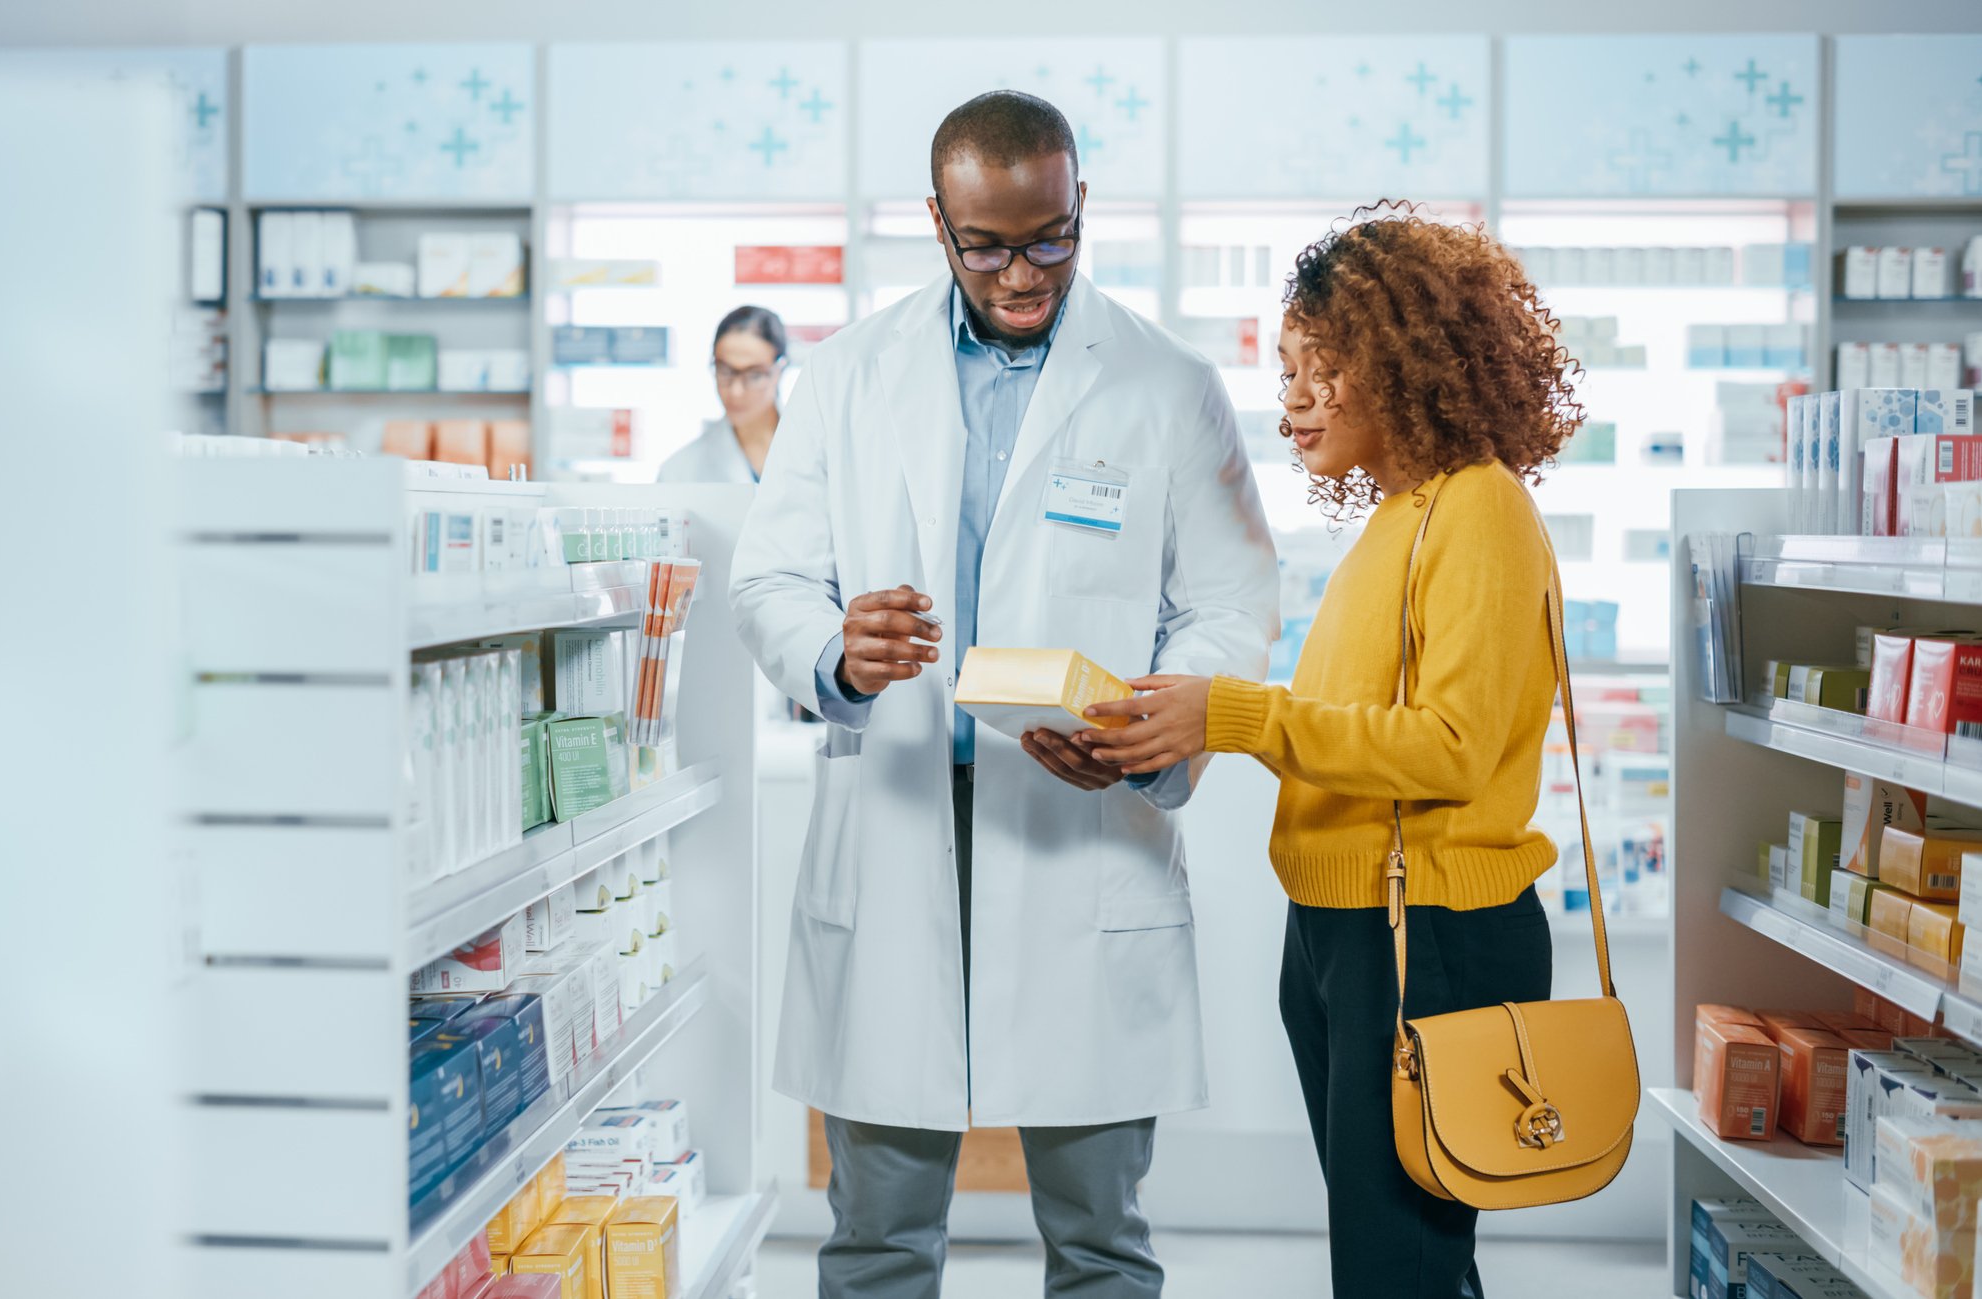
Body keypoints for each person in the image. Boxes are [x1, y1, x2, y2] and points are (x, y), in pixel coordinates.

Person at [729, 91, 1278, 1299]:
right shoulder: (847, 375)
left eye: (1050, 239)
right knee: (876, 1239)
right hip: (897, 821)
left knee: (1099, 1242)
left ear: (1081, 208)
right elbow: (768, 578)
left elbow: (1232, 604)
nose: (1022, 275)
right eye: (986, 247)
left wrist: (1155, 726)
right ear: (936, 222)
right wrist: (839, 653)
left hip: (1080, 823)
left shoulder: (1165, 383)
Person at [1075, 203, 1586, 1299]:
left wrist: (1235, 715)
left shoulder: (1479, 510)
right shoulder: (1402, 516)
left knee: (1395, 1264)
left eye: (1326, 367)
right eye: (1288, 369)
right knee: (1402, 1259)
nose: (1294, 399)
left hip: (1427, 932)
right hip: (1348, 926)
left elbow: (1449, 749)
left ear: (1405, 364)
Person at [659, 305, 787, 483]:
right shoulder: (679, 471)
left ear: (779, 370)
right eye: (725, 371)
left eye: (754, 375)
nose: (736, 391)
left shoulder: (816, 448)